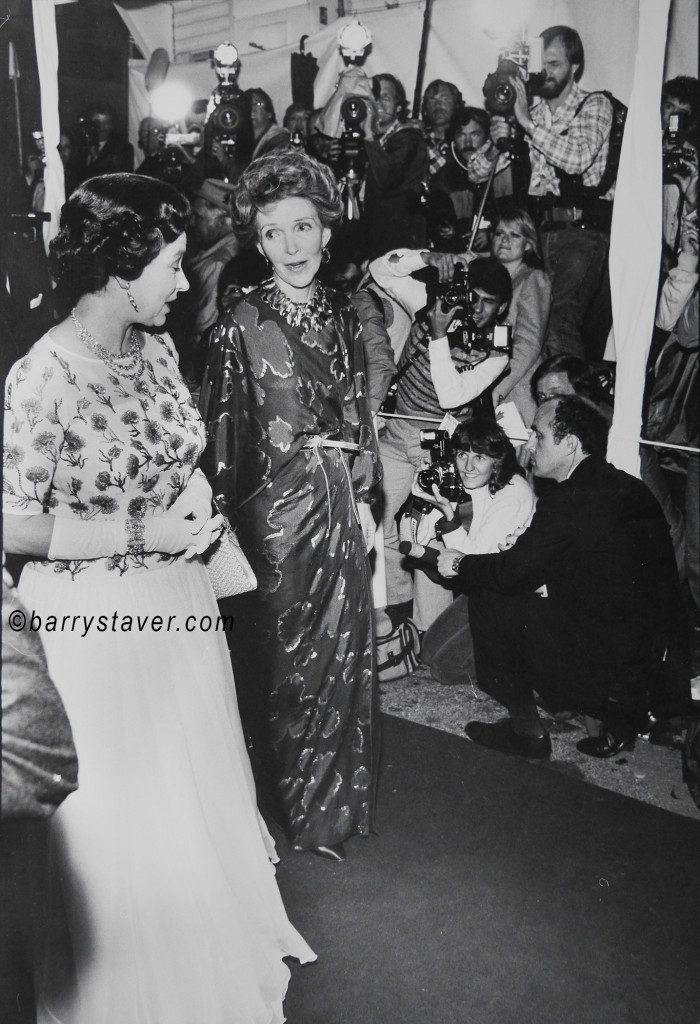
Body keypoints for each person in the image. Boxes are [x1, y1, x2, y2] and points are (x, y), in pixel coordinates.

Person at [2, 173, 314, 1024]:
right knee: (128, 812)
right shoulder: (43, 375)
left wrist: (197, 519)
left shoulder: (159, 346)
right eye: (172, 266)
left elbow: (174, 457)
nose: (184, 284)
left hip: (179, 604)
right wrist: (143, 536)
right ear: (117, 266)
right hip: (95, 625)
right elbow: (15, 526)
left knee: (193, 781)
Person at [199, 150, 380, 863]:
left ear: (327, 231)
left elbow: (360, 410)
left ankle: (336, 805)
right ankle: (295, 808)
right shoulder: (239, 322)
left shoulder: (341, 313)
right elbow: (220, 431)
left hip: (335, 502)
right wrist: (219, 528)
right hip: (272, 516)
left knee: (342, 653)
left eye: (303, 227)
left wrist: (363, 486)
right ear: (258, 241)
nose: (292, 246)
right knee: (284, 663)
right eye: (273, 233)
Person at [437, 395, 690, 760]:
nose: (530, 444)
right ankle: (618, 719)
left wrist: (460, 563)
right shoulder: (628, 486)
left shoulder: (568, 499)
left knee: (491, 597)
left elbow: (510, 573)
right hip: (651, 664)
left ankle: (527, 732)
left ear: (570, 443)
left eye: (539, 436)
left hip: (604, 663)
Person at [369, 250, 512, 631]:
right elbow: (380, 270)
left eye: (488, 302)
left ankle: (432, 625)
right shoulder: (436, 307)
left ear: (503, 308)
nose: (476, 309)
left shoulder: (496, 353)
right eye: (472, 296)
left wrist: (436, 334)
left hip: (442, 446)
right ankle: (397, 614)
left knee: (428, 532)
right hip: (398, 434)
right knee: (381, 524)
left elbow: (451, 396)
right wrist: (425, 257)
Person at [482, 25, 615, 358]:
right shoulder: (532, 112)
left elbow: (578, 158)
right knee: (531, 327)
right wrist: (498, 138)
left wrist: (526, 124)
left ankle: (573, 408)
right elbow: (479, 172)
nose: (547, 73)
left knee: (559, 323)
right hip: (540, 233)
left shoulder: (595, 104)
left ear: (574, 66)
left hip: (581, 234)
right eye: (543, 65)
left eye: (554, 64)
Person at [416, 418, 536, 686]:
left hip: (514, 599)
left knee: (445, 669)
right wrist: (425, 501)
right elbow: (424, 537)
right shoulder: (481, 483)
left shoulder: (513, 492)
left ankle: (524, 665)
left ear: (496, 459)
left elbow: (472, 562)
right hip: (486, 590)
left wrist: (448, 517)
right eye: (462, 455)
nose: (468, 467)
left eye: (479, 457)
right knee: (427, 652)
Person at [490, 206, 551, 426]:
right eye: (499, 233)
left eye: (514, 234)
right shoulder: (490, 279)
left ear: (528, 243)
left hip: (517, 385)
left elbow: (529, 342)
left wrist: (500, 388)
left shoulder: (533, 278)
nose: (505, 240)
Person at [362, 73, 429, 258]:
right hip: (370, 237)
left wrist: (367, 135)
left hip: (398, 244)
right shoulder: (367, 140)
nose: (379, 103)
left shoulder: (409, 138)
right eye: (374, 97)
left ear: (398, 107)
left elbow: (387, 178)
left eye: (386, 97)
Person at [76, 100, 134, 180]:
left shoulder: (123, 148)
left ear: (112, 125)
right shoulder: (80, 147)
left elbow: (118, 180)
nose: (102, 127)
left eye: (107, 123)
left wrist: (96, 157)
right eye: (97, 123)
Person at [421, 79, 462, 178]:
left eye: (444, 99)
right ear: (425, 108)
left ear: (456, 104)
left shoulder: (465, 138)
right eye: (432, 100)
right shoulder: (417, 138)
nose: (438, 104)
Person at [246, 88, 290, 160]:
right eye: (247, 105)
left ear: (269, 113)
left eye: (258, 104)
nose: (252, 109)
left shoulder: (279, 138)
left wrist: (225, 161)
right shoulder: (242, 138)